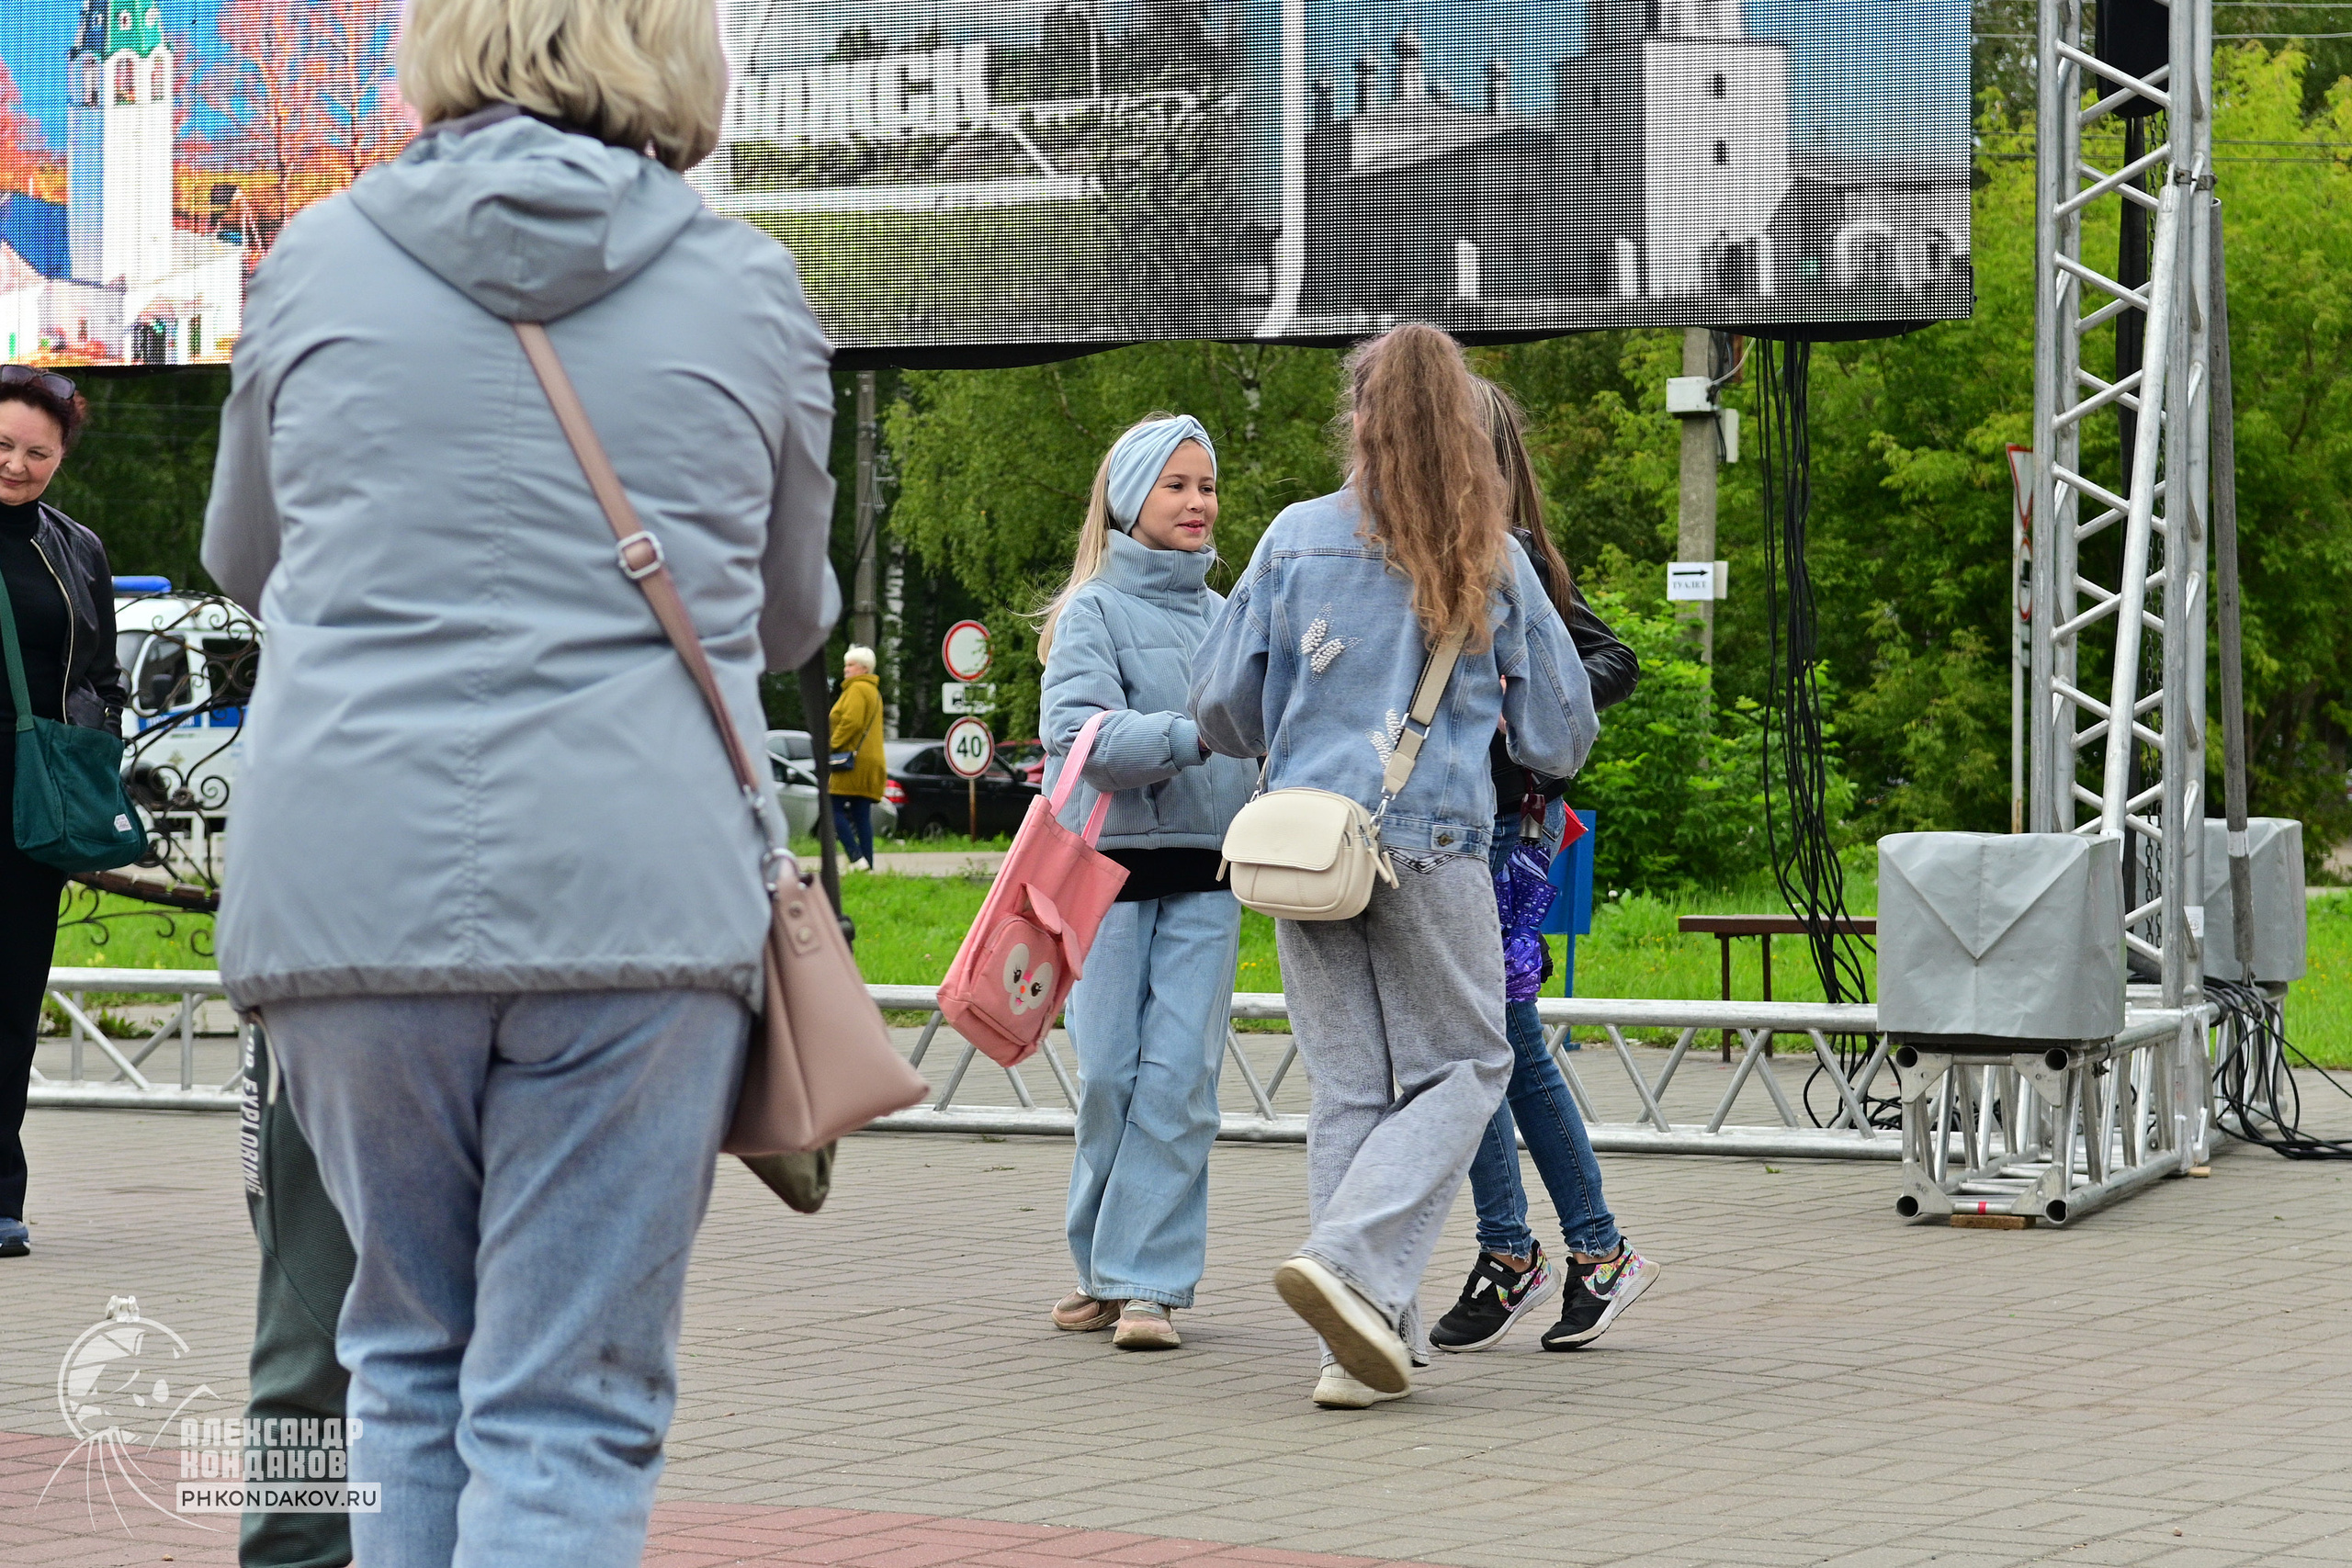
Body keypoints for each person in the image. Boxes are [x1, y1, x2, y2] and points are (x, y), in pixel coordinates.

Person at [198, 0, 838, 1561]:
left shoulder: (313, 265)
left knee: (403, 1358)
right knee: (568, 1406)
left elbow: (242, 558)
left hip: (345, 889)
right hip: (641, 896)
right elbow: (793, 611)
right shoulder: (745, 283)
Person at [1190, 324, 1597, 1408]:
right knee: (1466, 1068)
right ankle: (1352, 1267)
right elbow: (1561, 732)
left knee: (1353, 1090)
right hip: (1435, 846)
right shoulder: (1490, 555)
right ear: (1463, 428)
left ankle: (1357, 1352)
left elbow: (1219, 708)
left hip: (1306, 848)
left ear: (1358, 419)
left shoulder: (1288, 539)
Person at [1427, 377, 1659, 1357]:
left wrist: (1524, 732)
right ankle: (1523, 1250)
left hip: (1499, 836)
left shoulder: (1511, 555)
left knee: (1496, 1044)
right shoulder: (1428, 553)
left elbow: (1611, 660)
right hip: (1449, 830)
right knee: (1475, 1047)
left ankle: (1578, 1250)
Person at [1035, 414, 1254, 1351]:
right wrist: (1194, 732)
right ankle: (1100, 1267)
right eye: (1176, 486)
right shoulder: (1091, 611)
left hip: (1208, 879)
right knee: (1110, 1078)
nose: (1198, 503)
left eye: (1206, 486)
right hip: (1103, 881)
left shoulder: (1228, 612)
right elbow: (1077, 738)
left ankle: (1148, 1286)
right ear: (1130, 500)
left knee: (1180, 1083)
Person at [0, 367, 124, 1262]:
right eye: (2, 445)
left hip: (31, 804)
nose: (17, 464)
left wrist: (95, 750)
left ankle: (1, 1196)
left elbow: (100, 676)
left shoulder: (76, 547)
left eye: (38, 452)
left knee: (10, 1002)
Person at [828, 645, 884, 870]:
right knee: (861, 813)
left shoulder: (857, 689)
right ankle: (867, 864)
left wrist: (832, 745)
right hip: (871, 761)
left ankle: (855, 856)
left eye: (850, 665)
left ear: (863, 668)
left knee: (831, 807)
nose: (846, 669)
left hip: (852, 762)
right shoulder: (874, 692)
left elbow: (851, 722)